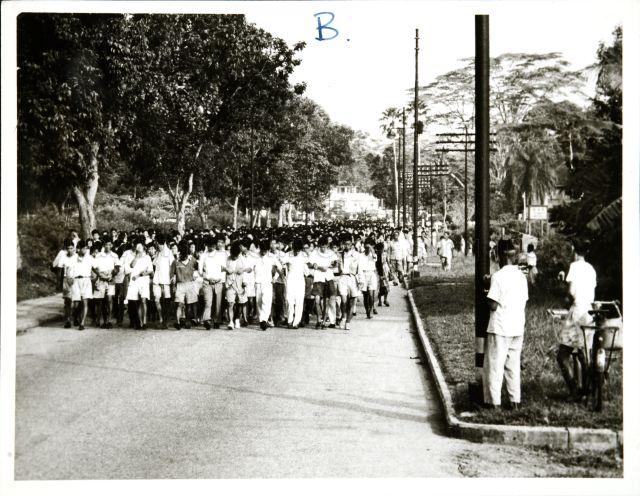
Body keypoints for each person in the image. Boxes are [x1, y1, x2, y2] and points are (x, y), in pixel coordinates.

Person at [483, 239, 529, 409]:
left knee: (495, 367)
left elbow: (493, 305)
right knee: (513, 368)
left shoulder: (498, 276)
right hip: (517, 326)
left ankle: (494, 404)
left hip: (500, 327)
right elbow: (524, 300)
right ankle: (514, 402)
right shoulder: (521, 277)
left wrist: (485, 290)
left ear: (500, 255)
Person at [556, 240, 597, 401]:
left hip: (577, 312)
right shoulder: (591, 269)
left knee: (562, 355)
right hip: (590, 313)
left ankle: (575, 391)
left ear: (574, 250)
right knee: (583, 352)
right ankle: (589, 390)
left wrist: (566, 294)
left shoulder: (574, 267)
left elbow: (571, 291)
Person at [308, 236, 338, 329]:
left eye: (324, 246)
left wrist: (331, 265)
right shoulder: (314, 253)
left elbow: (335, 263)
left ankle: (324, 321)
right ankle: (318, 320)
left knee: (326, 301)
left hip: (328, 278)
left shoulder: (331, 253)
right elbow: (309, 263)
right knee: (317, 300)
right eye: (321, 247)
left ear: (327, 245)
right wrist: (314, 265)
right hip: (318, 278)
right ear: (319, 246)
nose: (323, 248)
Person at [199, 235, 227, 330]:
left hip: (218, 282)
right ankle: (207, 319)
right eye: (209, 245)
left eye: (212, 245)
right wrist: (208, 278)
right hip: (207, 283)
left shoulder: (221, 255)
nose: (211, 247)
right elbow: (200, 271)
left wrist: (219, 279)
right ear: (207, 245)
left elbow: (224, 269)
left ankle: (217, 321)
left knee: (218, 304)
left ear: (215, 245)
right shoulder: (203, 256)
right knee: (208, 302)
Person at [254, 239, 282, 330]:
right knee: (259, 302)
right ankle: (261, 319)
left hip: (267, 282)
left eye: (265, 250)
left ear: (268, 249)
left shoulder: (272, 257)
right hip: (257, 282)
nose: (263, 252)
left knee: (266, 301)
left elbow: (280, 267)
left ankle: (263, 320)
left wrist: (275, 277)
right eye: (262, 250)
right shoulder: (255, 256)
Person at [126, 241, 154, 330]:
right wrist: (137, 257)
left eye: (140, 247)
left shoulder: (147, 257)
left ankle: (144, 322)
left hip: (143, 280)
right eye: (137, 247)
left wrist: (140, 274)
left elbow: (150, 271)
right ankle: (140, 322)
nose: (138, 249)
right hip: (135, 281)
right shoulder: (135, 257)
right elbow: (132, 265)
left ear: (143, 248)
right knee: (136, 302)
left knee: (143, 300)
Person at [92, 239, 120, 329]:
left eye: (109, 244)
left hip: (110, 279)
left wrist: (112, 274)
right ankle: (101, 320)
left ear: (111, 245)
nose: (108, 246)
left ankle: (109, 320)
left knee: (109, 299)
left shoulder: (114, 256)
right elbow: (94, 267)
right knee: (101, 300)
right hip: (101, 279)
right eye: (106, 245)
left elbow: (117, 268)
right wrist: (100, 274)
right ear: (104, 245)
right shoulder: (99, 255)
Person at [171, 243, 198, 330]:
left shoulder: (192, 260)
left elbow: (198, 268)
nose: (184, 255)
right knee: (179, 303)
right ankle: (178, 322)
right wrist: (173, 280)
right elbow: (171, 274)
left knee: (189, 304)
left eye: (185, 254)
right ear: (180, 253)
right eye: (182, 253)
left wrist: (195, 275)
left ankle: (187, 320)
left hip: (190, 284)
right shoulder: (175, 262)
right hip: (180, 285)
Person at [224, 241, 250, 330]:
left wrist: (243, 270)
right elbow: (221, 269)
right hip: (230, 285)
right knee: (230, 303)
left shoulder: (242, 259)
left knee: (240, 304)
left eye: (236, 255)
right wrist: (226, 269)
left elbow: (249, 269)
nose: (234, 257)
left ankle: (237, 319)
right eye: (233, 255)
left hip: (240, 285)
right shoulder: (227, 259)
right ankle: (231, 322)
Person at [337, 234, 361, 330]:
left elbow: (360, 269)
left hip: (352, 278)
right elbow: (337, 268)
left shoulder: (356, 255)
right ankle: (343, 316)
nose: (346, 246)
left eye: (348, 244)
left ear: (351, 244)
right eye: (345, 244)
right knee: (343, 300)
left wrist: (361, 281)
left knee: (351, 302)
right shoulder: (340, 254)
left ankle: (348, 322)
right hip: (343, 278)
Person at [151, 234, 174, 329]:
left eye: (159, 244)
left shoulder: (169, 253)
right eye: (157, 244)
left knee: (166, 301)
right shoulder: (158, 253)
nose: (158, 246)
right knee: (156, 300)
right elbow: (154, 265)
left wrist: (171, 278)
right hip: (157, 280)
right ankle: (161, 319)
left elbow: (172, 266)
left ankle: (165, 321)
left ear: (163, 243)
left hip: (166, 281)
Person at [284, 238, 307, 329]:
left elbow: (309, 265)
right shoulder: (287, 255)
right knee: (289, 301)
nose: (296, 252)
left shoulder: (304, 255)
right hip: (290, 279)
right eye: (295, 249)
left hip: (300, 280)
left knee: (299, 301)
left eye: (298, 250)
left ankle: (296, 322)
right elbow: (281, 263)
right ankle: (289, 320)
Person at [71, 241, 94, 330]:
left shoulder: (89, 258)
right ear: (78, 249)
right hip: (76, 280)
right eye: (83, 248)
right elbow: (70, 268)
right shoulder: (74, 258)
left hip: (86, 280)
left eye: (86, 248)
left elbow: (95, 267)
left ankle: (82, 323)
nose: (85, 250)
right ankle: (76, 317)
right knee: (76, 304)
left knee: (85, 302)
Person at [55, 239, 78, 328]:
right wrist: (58, 282)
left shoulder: (77, 257)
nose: (70, 250)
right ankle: (67, 320)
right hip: (66, 280)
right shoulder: (63, 257)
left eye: (71, 248)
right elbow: (59, 270)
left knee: (76, 301)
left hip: (75, 279)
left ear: (74, 248)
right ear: (66, 249)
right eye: (68, 248)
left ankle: (76, 317)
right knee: (67, 301)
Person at [358, 238, 378, 319]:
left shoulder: (373, 255)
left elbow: (374, 257)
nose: (367, 249)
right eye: (366, 247)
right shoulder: (360, 256)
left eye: (368, 247)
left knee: (371, 294)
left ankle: (370, 310)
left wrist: (371, 249)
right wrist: (360, 279)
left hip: (371, 274)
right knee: (365, 296)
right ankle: (367, 310)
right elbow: (359, 268)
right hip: (363, 274)